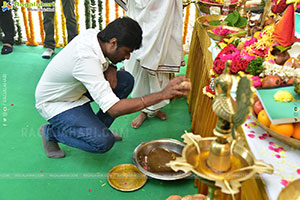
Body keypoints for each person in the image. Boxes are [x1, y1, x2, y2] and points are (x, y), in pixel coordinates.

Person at [35, 17, 190, 158]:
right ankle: (50, 133)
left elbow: (103, 56)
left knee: (125, 80)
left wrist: (112, 66)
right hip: (57, 103)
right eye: (127, 52)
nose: (128, 57)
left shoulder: (97, 36)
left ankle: (99, 128)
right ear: (113, 42)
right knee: (103, 142)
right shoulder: (85, 59)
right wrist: (163, 94)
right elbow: (114, 109)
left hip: (75, 91)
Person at [124, 0, 185, 128]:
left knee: (160, 62)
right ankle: (143, 111)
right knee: (141, 64)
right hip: (141, 15)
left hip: (164, 15)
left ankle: (155, 108)